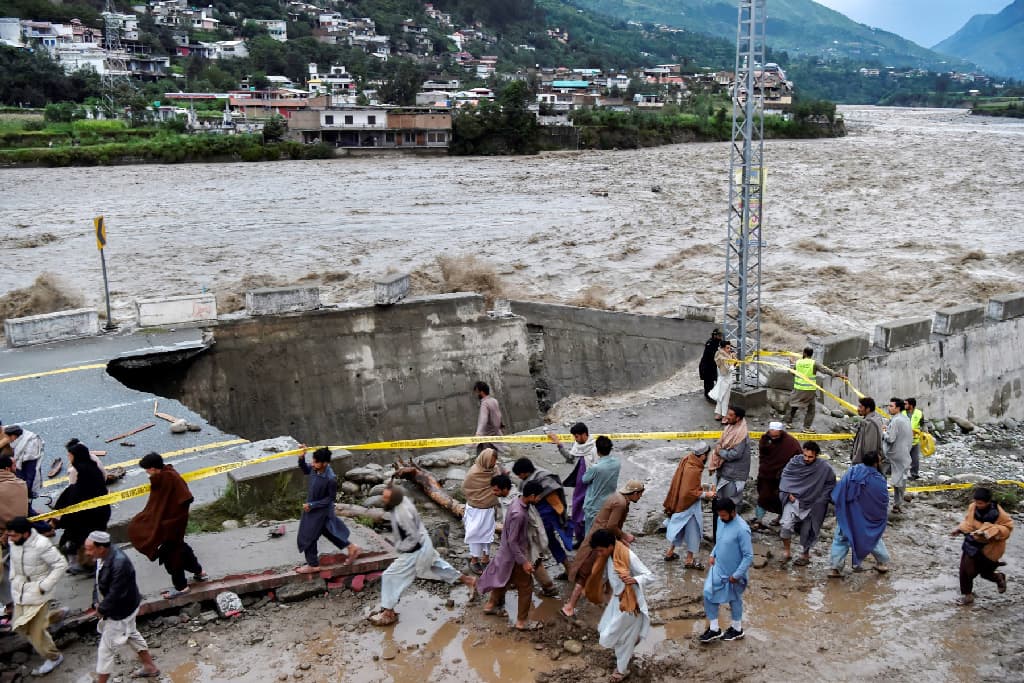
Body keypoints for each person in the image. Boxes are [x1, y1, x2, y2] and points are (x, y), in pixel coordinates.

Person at [370, 485, 476, 626]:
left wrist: (402, 551)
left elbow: (412, 539)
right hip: (424, 542)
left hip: (416, 548)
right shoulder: (403, 501)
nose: (383, 500)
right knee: (439, 566)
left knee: (390, 575)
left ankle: (388, 612)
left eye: (386, 498)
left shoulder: (403, 514)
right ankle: (469, 580)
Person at [127, 452, 207, 599]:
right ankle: (199, 572)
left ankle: (181, 587)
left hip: (172, 525)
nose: (147, 473)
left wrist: (169, 522)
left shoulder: (169, 478)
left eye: (147, 470)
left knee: (171, 555)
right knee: (181, 548)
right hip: (171, 524)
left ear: (153, 468)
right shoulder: (165, 475)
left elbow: (186, 498)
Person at [562, 480, 645, 619]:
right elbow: (612, 526)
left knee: (609, 569)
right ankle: (569, 606)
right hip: (601, 541)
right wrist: (625, 536)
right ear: (635, 493)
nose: (640, 497)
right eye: (640, 495)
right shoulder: (621, 503)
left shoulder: (618, 497)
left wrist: (620, 540)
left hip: (604, 539)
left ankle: (608, 597)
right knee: (585, 574)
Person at [84, 531, 160, 681]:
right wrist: (96, 603)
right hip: (125, 607)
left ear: (101, 548)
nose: (87, 552)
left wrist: (101, 609)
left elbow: (116, 594)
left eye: (89, 549)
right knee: (131, 633)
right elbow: (98, 582)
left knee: (105, 651)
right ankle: (150, 666)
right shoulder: (102, 557)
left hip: (121, 611)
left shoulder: (119, 564)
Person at [587, 529, 656, 682]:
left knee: (622, 637)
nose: (599, 554)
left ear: (610, 546)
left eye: (600, 550)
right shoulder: (610, 555)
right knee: (606, 629)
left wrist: (634, 580)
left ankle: (621, 670)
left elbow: (650, 576)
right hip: (617, 600)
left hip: (630, 603)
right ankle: (630, 644)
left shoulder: (628, 556)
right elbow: (609, 576)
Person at [477, 480, 544, 631]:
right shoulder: (519, 514)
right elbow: (513, 541)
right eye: (539, 497)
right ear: (532, 496)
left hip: (505, 554)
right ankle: (521, 622)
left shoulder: (516, 502)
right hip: (515, 556)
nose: (540, 499)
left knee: (502, 580)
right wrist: (524, 562)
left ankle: (490, 606)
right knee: (526, 587)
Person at [6, 516, 67, 676]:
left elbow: (61, 564)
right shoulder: (14, 542)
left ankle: (54, 657)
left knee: (35, 633)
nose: (9, 539)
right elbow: (13, 561)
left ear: (25, 534)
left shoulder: (41, 544)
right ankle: (53, 618)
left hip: (38, 593)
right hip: (19, 591)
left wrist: (44, 586)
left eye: (13, 535)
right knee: (19, 626)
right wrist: (13, 577)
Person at [492, 474, 558, 598]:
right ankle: (546, 586)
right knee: (529, 561)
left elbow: (526, 523)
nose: (493, 492)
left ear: (505, 489)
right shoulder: (511, 498)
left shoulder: (516, 503)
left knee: (529, 561)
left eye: (496, 490)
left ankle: (548, 587)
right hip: (517, 537)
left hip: (523, 538)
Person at [295, 446, 360, 574]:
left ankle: (313, 564)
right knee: (328, 531)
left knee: (308, 536)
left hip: (320, 511)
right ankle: (352, 547)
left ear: (325, 463)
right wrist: (301, 457)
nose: (312, 464)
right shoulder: (315, 469)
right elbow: (305, 469)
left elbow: (330, 499)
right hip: (313, 509)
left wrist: (312, 505)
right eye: (312, 461)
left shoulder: (330, 479)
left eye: (316, 462)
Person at [51, 441, 111, 575]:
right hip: (99, 511)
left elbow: (76, 497)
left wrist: (61, 518)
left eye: (70, 455)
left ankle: (89, 566)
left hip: (88, 516)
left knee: (77, 540)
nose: (69, 458)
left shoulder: (79, 472)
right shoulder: (92, 466)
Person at [700, 498, 753, 644]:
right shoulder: (722, 521)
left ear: (733, 512)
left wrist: (736, 575)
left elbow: (748, 556)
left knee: (734, 599)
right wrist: (713, 553)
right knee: (708, 593)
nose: (721, 518)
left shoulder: (742, 529)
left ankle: (737, 629)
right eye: (719, 515)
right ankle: (715, 629)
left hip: (734, 573)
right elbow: (720, 540)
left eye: (724, 515)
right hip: (718, 567)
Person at [829, 451, 890, 577]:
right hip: (865, 520)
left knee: (841, 539)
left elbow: (839, 490)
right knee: (872, 538)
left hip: (847, 516)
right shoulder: (879, 480)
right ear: (876, 463)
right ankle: (882, 563)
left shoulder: (852, 471)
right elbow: (882, 502)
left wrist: (842, 507)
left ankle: (835, 568)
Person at [950, 487, 1013, 606]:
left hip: (990, 548)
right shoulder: (972, 507)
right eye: (976, 502)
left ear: (988, 502)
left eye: (980, 503)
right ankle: (968, 596)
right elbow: (968, 522)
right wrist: (959, 529)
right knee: (965, 571)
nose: (977, 505)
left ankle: (999, 578)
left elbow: (1007, 529)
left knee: (986, 573)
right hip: (971, 543)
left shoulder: (1000, 515)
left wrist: (991, 531)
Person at [511, 458, 572, 580]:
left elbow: (553, 489)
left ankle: (567, 569)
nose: (519, 477)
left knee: (545, 542)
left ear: (525, 472)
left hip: (546, 515)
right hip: (537, 514)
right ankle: (566, 568)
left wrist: (540, 496)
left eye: (519, 474)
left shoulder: (543, 477)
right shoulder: (530, 479)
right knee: (543, 543)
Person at [778, 441, 836, 566]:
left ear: (817, 455)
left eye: (810, 457)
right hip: (794, 500)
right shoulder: (794, 463)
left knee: (808, 530)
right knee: (786, 525)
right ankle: (787, 552)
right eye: (805, 455)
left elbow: (830, 484)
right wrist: (788, 493)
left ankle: (805, 554)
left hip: (812, 504)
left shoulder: (824, 468)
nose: (807, 459)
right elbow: (786, 476)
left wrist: (821, 499)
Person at [663, 442, 712, 567]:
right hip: (689, 506)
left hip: (679, 503)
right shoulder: (694, 470)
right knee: (694, 530)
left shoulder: (687, 460)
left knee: (678, 527)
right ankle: (689, 560)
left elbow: (687, 486)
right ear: (702, 456)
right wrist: (706, 494)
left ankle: (670, 552)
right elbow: (689, 492)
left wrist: (700, 488)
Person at [548, 422, 596, 546]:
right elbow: (570, 458)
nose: (576, 439)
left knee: (592, 511)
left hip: (593, 485)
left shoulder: (595, 447)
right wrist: (559, 444)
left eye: (577, 436)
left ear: (585, 434)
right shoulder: (578, 446)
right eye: (574, 436)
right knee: (577, 510)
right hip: (581, 486)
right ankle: (581, 538)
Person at [709, 406, 751, 542]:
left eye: (731, 415)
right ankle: (718, 536)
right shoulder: (730, 428)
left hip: (733, 477)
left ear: (738, 418)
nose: (727, 417)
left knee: (731, 506)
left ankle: (730, 537)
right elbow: (720, 443)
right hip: (723, 472)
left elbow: (734, 454)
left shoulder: (741, 435)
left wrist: (720, 452)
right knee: (718, 505)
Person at [753, 422, 802, 531]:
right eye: (772, 435)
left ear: (781, 432)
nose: (774, 438)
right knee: (763, 497)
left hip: (783, 478)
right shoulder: (765, 439)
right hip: (766, 475)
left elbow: (798, 459)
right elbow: (763, 454)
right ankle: (758, 520)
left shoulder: (791, 442)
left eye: (776, 436)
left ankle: (780, 518)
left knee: (781, 500)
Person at [787, 347, 846, 432]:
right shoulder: (814, 363)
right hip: (809, 391)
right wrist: (837, 374)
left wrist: (791, 363)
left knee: (794, 405)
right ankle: (806, 427)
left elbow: (792, 373)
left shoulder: (798, 362)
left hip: (798, 389)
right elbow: (825, 370)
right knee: (811, 409)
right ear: (811, 354)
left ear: (804, 353)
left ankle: (788, 423)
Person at [462, 448, 501, 574]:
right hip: (475, 510)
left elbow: (498, 487)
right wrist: (480, 498)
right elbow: (466, 489)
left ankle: (485, 559)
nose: (493, 464)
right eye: (491, 462)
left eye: (494, 462)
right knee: (475, 535)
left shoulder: (494, 470)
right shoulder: (473, 474)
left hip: (488, 510)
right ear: (485, 460)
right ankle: (474, 560)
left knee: (487, 536)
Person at [0, 455, 28, 628]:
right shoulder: (20, 485)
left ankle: (11, 606)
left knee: (3, 575)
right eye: (14, 464)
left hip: (3, 539)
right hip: (18, 536)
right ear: (8, 468)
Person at [581, 436, 620, 537]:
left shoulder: (596, 467)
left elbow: (584, 479)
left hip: (593, 505)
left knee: (590, 535)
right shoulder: (617, 463)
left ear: (597, 450)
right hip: (609, 503)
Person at [882, 398, 912, 514]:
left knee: (881, 475)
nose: (889, 408)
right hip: (904, 453)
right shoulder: (905, 419)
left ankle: (882, 502)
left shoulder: (896, 421)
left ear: (898, 408)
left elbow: (891, 438)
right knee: (900, 480)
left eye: (891, 406)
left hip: (892, 454)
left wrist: (884, 432)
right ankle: (897, 504)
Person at [3, 425, 43, 499]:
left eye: (7, 437)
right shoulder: (19, 441)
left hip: (24, 483)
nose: (6, 439)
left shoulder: (29, 451)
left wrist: (25, 491)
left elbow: (30, 474)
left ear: (13, 437)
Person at [473, 381, 505, 453]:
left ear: (481, 392)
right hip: (497, 434)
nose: (476, 395)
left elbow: (483, 420)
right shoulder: (494, 400)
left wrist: (478, 434)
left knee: (482, 459)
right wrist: (501, 424)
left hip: (487, 438)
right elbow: (498, 414)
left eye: (476, 392)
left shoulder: (485, 403)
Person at [851, 397, 883, 466]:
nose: (858, 409)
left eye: (861, 407)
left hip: (864, 464)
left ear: (868, 409)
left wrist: (865, 465)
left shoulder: (871, 423)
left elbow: (870, 447)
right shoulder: (871, 420)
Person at [710, 340, 737, 421]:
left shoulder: (722, 354)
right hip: (724, 379)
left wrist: (732, 358)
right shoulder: (722, 357)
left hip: (724, 379)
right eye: (727, 348)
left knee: (721, 397)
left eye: (730, 347)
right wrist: (734, 363)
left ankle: (719, 414)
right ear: (723, 348)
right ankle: (724, 416)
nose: (729, 349)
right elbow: (727, 370)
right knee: (724, 398)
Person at [699, 329, 723, 402]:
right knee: (708, 383)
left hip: (713, 366)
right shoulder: (710, 343)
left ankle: (713, 395)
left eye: (721, 335)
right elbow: (713, 355)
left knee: (714, 381)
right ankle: (709, 396)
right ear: (715, 335)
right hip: (707, 366)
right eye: (719, 335)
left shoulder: (718, 342)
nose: (721, 337)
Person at [903, 398, 924, 480]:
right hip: (903, 440)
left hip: (915, 440)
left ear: (911, 405)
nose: (904, 405)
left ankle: (914, 474)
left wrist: (920, 431)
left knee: (915, 459)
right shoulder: (902, 413)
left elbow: (923, 425)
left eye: (906, 404)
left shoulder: (919, 413)